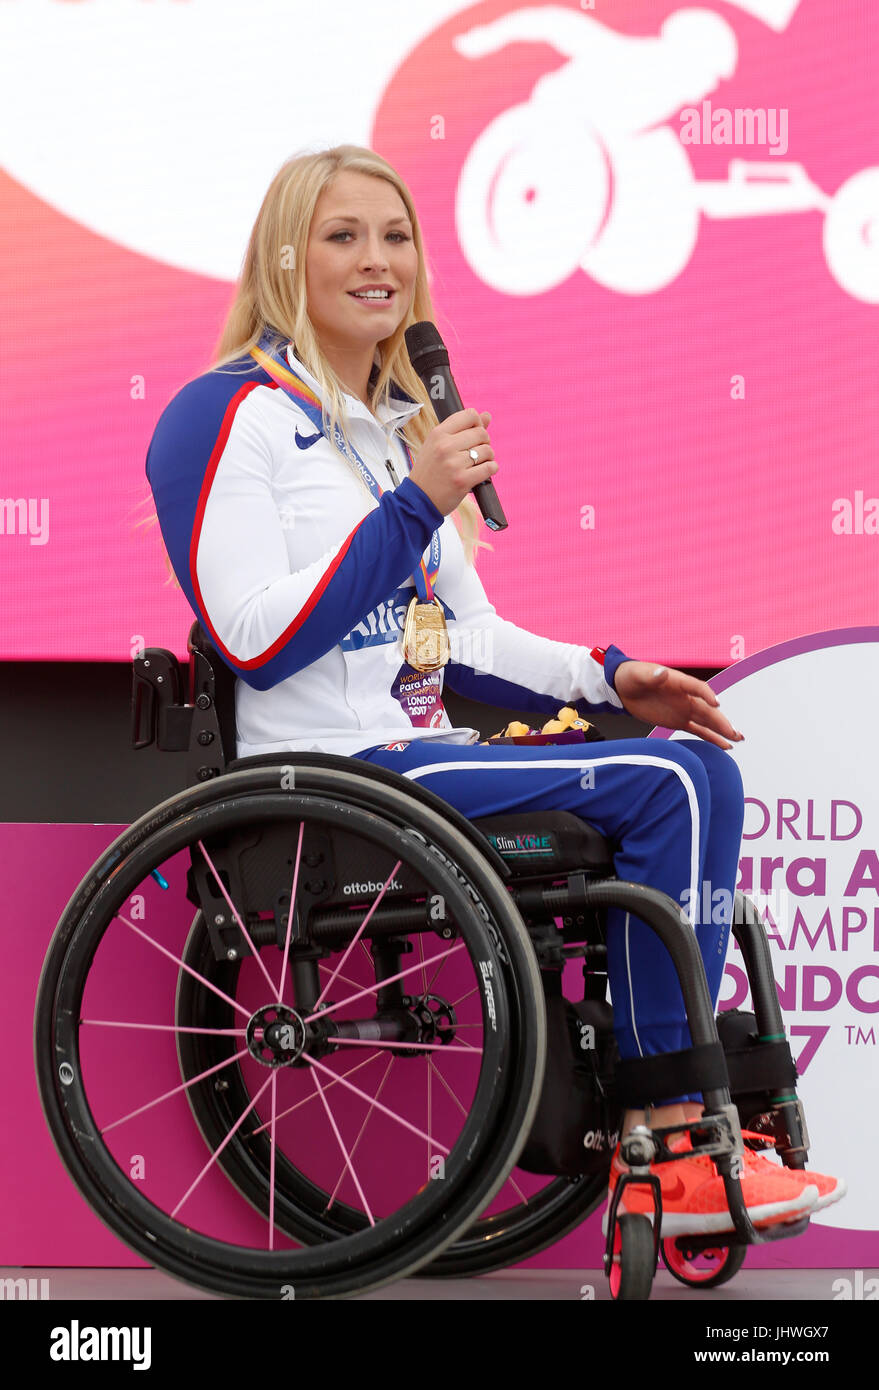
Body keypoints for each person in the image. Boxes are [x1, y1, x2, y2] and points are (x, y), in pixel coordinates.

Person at [145, 143, 843, 1239]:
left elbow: (463, 636)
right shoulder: (224, 414)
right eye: (343, 236)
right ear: (286, 258)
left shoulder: (391, 434)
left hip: (414, 753)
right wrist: (415, 508)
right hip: (335, 773)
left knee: (697, 762)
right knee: (673, 784)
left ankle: (693, 1117)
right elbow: (259, 639)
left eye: (396, 237)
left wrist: (612, 674)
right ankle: (669, 1135)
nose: (379, 261)